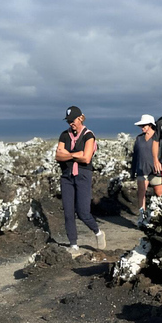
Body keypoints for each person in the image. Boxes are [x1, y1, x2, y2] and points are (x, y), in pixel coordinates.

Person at [55, 106, 106, 251]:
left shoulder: (88, 136)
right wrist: (75, 154)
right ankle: (74, 245)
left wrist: (68, 153)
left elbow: (86, 158)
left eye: (73, 120)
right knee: (68, 212)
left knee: (83, 212)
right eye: (68, 120)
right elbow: (58, 156)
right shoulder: (64, 135)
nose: (70, 123)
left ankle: (98, 232)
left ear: (80, 118)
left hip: (83, 175)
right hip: (66, 176)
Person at [131, 114, 162, 225]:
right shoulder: (139, 139)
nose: (142, 127)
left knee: (159, 195)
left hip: (156, 171)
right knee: (141, 194)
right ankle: (142, 217)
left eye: (144, 125)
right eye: (141, 125)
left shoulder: (157, 138)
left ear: (150, 125)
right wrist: (132, 171)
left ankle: (160, 217)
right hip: (141, 169)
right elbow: (135, 156)